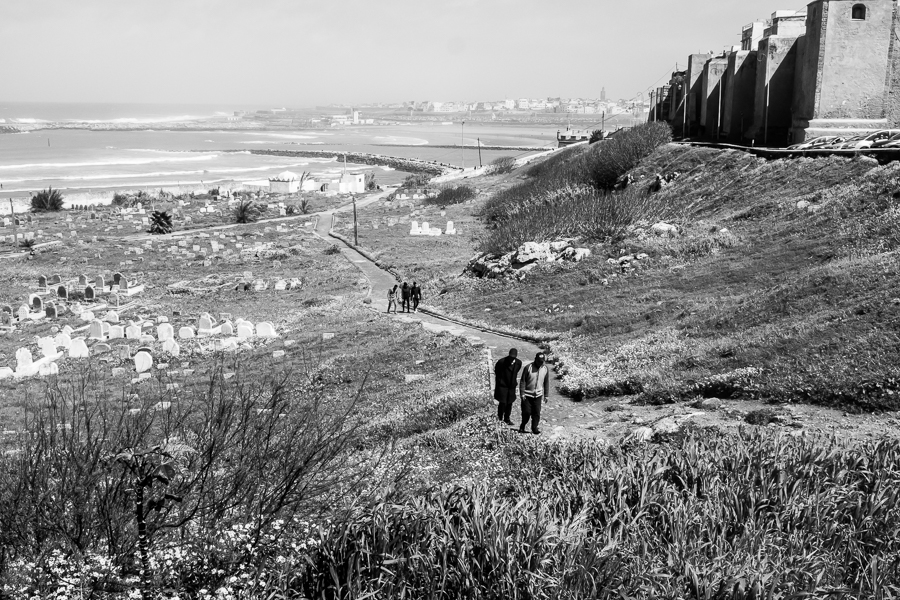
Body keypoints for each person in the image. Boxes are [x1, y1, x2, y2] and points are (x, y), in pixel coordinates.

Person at [519, 352, 549, 435]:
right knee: (527, 412)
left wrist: (546, 395)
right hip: (527, 395)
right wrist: (522, 393)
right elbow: (522, 381)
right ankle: (522, 426)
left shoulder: (545, 368)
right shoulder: (528, 368)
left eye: (542, 361)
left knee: (536, 413)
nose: (541, 363)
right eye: (539, 361)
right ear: (535, 359)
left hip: (538, 395)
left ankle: (534, 428)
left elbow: (546, 382)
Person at [494, 348, 521, 425]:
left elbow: (516, 371)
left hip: (511, 386)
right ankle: (499, 418)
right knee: (502, 403)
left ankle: (507, 419)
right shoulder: (501, 362)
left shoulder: (519, 363)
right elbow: (497, 371)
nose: (511, 358)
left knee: (509, 403)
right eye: (511, 357)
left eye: (513, 357)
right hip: (503, 386)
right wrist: (500, 382)